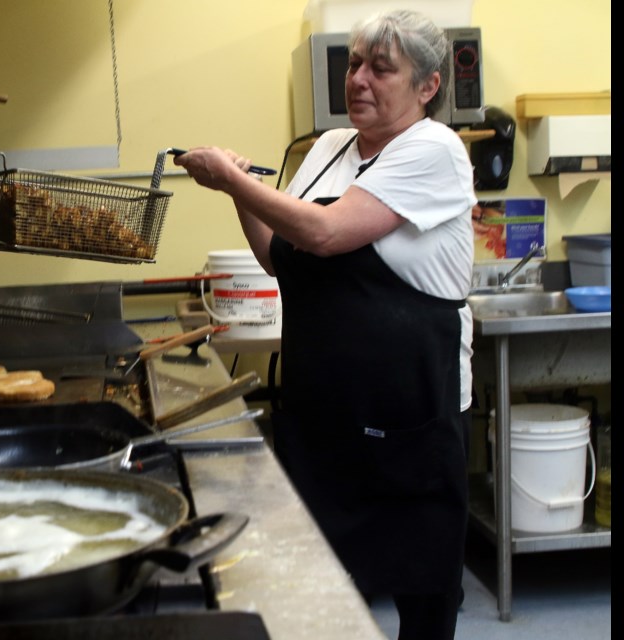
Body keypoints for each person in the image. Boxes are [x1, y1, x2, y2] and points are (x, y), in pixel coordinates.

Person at [173, 9, 475, 640]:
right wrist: (236, 192)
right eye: (355, 63)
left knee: (421, 587)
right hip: (324, 415)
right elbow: (281, 254)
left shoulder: (435, 150)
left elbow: (327, 232)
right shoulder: (328, 148)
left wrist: (232, 176)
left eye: (381, 69)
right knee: (319, 585)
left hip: (408, 417)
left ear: (427, 87)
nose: (358, 79)